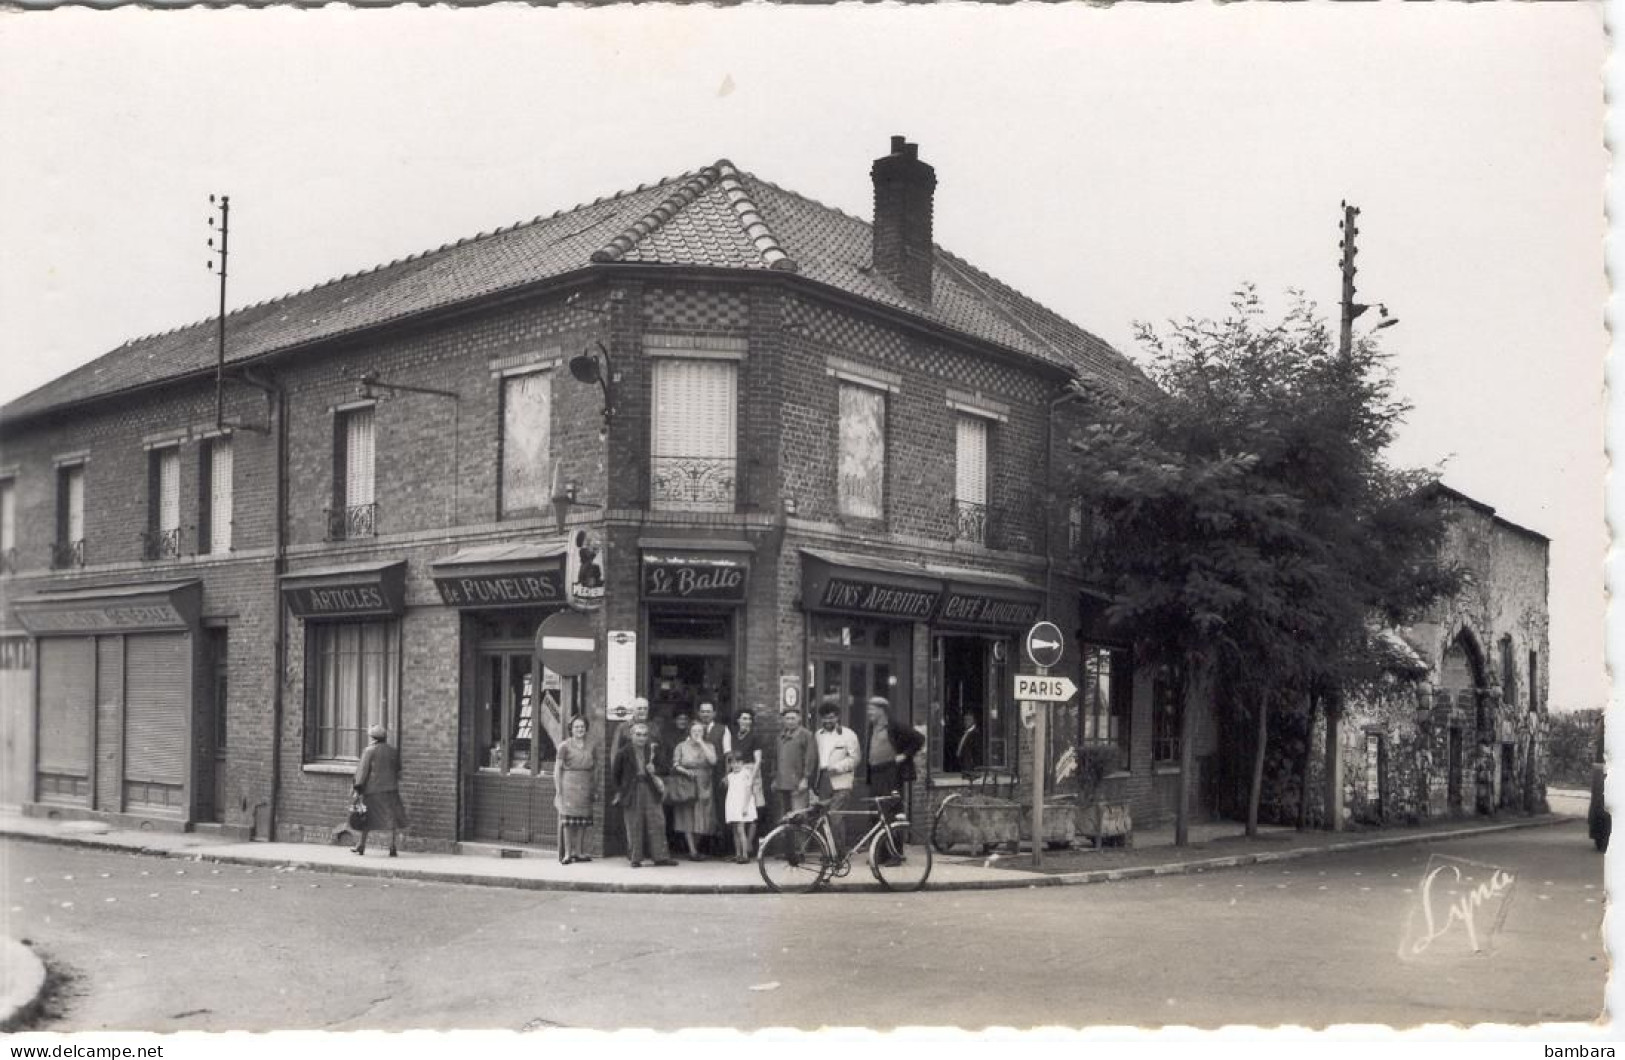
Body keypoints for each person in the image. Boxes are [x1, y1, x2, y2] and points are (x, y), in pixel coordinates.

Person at [611, 721, 678, 868]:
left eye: (645, 735)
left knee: (658, 822)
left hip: (650, 788)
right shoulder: (623, 752)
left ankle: (661, 857)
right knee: (634, 823)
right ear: (631, 735)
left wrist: (655, 770)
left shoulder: (653, 751)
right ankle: (635, 858)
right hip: (632, 790)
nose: (642, 738)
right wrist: (621, 792)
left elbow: (665, 768)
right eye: (638, 735)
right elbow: (616, 775)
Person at [352, 724, 409, 857]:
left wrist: (358, 789)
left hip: (373, 791)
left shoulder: (369, 751)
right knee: (391, 818)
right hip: (391, 790)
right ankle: (392, 847)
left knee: (366, 818)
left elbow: (362, 771)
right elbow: (398, 770)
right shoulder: (393, 751)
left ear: (372, 737)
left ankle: (361, 845)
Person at [814, 697, 861, 849]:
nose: (829, 720)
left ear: (838, 717)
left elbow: (855, 759)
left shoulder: (848, 735)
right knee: (824, 818)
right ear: (821, 719)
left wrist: (837, 767)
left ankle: (840, 852)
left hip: (841, 780)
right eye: (825, 717)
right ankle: (829, 852)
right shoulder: (818, 735)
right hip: (823, 780)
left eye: (832, 717)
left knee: (836, 817)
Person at [553, 714, 599, 864]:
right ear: (571, 729)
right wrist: (558, 791)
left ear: (586, 729)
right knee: (568, 821)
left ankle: (579, 852)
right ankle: (567, 853)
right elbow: (557, 770)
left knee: (582, 820)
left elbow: (596, 768)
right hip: (569, 785)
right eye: (576, 727)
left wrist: (595, 787)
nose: (580, 729)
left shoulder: (592, 745)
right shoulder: (564, 746)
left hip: (585, 784)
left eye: (582, 727)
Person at [671, 719, 719, 860]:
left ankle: (695, 848)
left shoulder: (709, 745)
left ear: (703, 733)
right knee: (687, 816)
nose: (697, 733)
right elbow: (675, 764)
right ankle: (692, 851)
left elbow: (713, 761)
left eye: (700, 731)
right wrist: (685, 771)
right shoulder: (681, 746)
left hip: (704, 783)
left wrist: (702, 743)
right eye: (694, 731)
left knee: (703, 815)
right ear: (689, 732)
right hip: (687, 782)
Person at [772, 705, 818, 824]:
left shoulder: (806, 735)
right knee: (785, 819)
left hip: (798, 784)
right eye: (787, 719)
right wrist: (775, 778)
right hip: (782, 783)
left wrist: (805, 778)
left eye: (793, 718)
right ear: (783, 720)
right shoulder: (780, 737)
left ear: (799, 719)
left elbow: (810, 758)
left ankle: (801, 843)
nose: (790, 721)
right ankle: (788, 842)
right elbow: (775, 758)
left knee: (799, 818)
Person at [696, 702, 732, 852]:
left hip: (717, 774)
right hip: (700, 774)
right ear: (699, 713)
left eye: (708, 711)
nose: (705, 714)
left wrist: (727, 774)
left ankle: (722, 847)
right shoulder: (695, 729)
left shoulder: (723, 729)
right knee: (702, 808)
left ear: (714, 713)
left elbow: (728, 754)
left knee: (719, 808)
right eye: (703, 711)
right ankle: (703, 845)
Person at [732, 706, 768, 850]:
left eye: (749, 719)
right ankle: (740, 846)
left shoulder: (755, 737)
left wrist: (752, 778)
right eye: (744, 718)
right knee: (739, 807)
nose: (747, 721)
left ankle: (749, 844)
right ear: (738, 720)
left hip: (751, 772)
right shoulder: (734, 737)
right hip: (737, 774)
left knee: (753, 808)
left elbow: (758, 760)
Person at [723, 752, 757, 863]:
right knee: (735, 831)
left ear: (742, 763)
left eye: (738, 762)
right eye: (733, 763)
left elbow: (748, 791)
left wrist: (745, 806)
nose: (736, 765)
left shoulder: (746, 774)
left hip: (741, 804)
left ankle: (745, 854)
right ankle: (737, 854)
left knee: (741, 830)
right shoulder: (730, 776)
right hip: (733, 804)